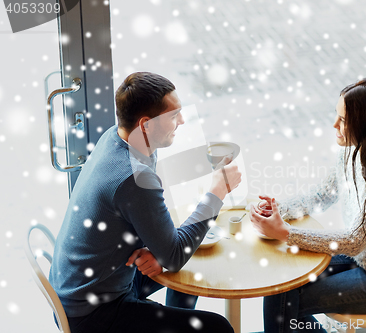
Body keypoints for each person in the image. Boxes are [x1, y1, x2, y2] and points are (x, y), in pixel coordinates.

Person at [49, 72, 240, 333]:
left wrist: (161, 251)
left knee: (189, 259)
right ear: (146, 125)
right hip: (94, 312)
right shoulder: (133, 177)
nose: (182, 121)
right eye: (174, 116)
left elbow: (148, 225)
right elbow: (174, 255)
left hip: (86, 283)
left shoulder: (117, 138)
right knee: (218, 327)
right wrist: (218, 191)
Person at [250, 78, 366, 333]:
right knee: (281, 284)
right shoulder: (352, 151)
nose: (334, 124)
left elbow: (354, 241)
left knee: (287, 299)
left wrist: (286, 234)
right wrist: (279, 209)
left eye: (343, 120)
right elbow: (322, 195)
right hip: (365, 256)